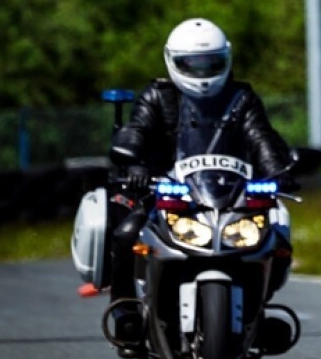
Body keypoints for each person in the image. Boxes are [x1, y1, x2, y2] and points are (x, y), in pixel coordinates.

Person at [108, 17, 293, 342]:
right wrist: (135, 164)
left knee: (276, 234)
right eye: (191, 65)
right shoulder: (157, 96)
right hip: (166, 192)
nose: (202, 73)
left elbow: (261, 137)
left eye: (211, 64)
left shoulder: (241, 98)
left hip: (227, 194)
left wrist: (279, 169)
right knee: (126, 233)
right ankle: (126, 310)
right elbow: (136, 131)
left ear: (226, 58)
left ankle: (257, 309)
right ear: (173, 60)